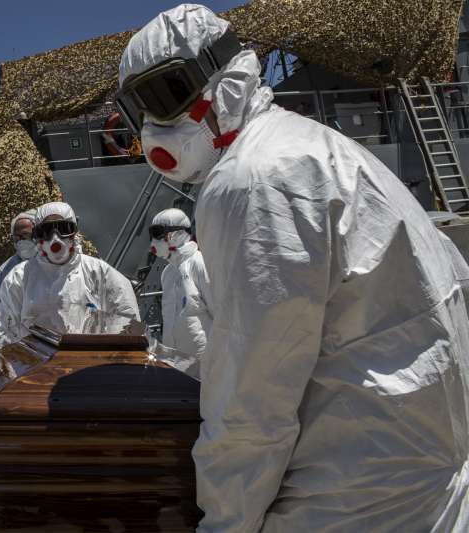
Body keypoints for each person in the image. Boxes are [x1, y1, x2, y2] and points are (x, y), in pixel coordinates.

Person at [118, 5, 469, 532]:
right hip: (417, 476)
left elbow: (253, 400)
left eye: (166, 96)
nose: (154, 127)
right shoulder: (315, 145)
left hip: (350, 499)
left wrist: (226, 522)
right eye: (138, 111)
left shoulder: (251, 180)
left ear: (225, 80)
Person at [0, 201, 140, 338]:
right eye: (47, 231)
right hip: (36, 354)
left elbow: (129, 322)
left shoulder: (100, 273)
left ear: (74, 232)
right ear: (38, 235)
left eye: (63, 229)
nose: (55, 238)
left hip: (87, 353)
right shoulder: (19, 277)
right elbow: (6, 330)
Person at [149, 208, 211, 378]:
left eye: (158, 233)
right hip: (175, 363)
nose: (154, 241)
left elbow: (220, 314)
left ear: (176, 235)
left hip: (204, 364)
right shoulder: (167, 273)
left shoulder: (200, 264)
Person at [0, 210, 37, 317]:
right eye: (16, 237)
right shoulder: (4, 271)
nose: (21, 241)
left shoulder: (51, 263)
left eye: (25, 235)